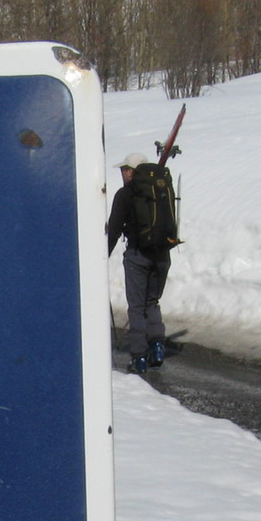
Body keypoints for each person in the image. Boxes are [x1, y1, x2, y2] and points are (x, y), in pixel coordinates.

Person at [106, 152, 170, 374]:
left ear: (131, 171)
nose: (122, 173)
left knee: (136, 306)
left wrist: (102, 255)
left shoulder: (125, 194)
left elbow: (113, 229)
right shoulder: (159, 190)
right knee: (152, 301)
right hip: (162, 254)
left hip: (137, 256)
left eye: (124, 169)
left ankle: (139, 357)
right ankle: (158, 346)